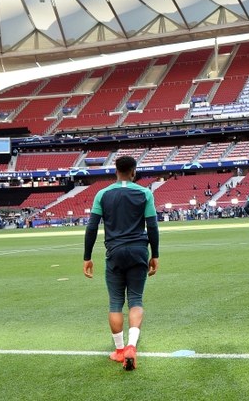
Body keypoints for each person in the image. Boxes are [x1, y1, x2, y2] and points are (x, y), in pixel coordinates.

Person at [83, 156, 159, 372]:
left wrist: (87, 257)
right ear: (133, 171)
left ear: (115, 170)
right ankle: (131, 347)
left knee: (115, 301)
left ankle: (118, 351)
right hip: (138, 251)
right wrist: (155, 254)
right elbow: (152, 226)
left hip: (114, 252)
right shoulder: (145, 193)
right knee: (135, 299)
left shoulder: (102, 194)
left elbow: (91, 227)